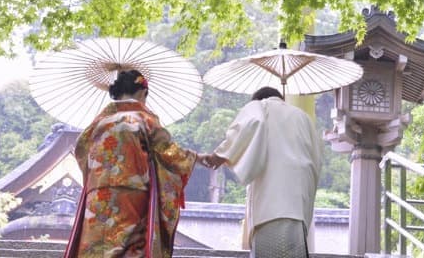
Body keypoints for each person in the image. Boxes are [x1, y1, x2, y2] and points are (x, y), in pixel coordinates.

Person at [64, 69, 210, 258]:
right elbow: (168, 152)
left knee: (97, 247)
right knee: (128, 247)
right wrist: (197, 157)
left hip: (98, 195)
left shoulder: (96, 125)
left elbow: (82, 154)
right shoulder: (144, 119)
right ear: (142, 93)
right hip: (131, 195)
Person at [203, 86, 323, 258]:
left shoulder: (260, 106)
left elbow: (251, 123)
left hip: (271, 209)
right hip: (299, 211)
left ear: (258, 99)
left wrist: (220, 155)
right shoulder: (303, 118)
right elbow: (316, 161)